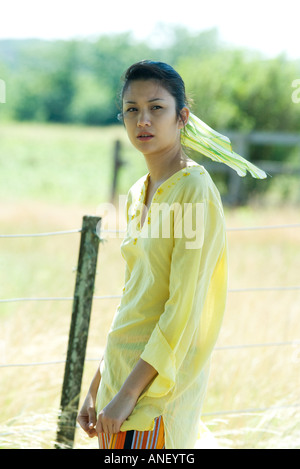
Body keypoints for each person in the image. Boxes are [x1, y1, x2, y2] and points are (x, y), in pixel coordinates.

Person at [77, 60, 267, 449]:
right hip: (118, 383)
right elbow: (134, 296)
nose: (142, 119)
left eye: (156, 108)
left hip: (155, 396)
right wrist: (98, 384)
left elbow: (182, 308)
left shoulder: (193, 190)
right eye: (132, 109)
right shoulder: (136, 192)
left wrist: (129, 395)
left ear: (182, 117)